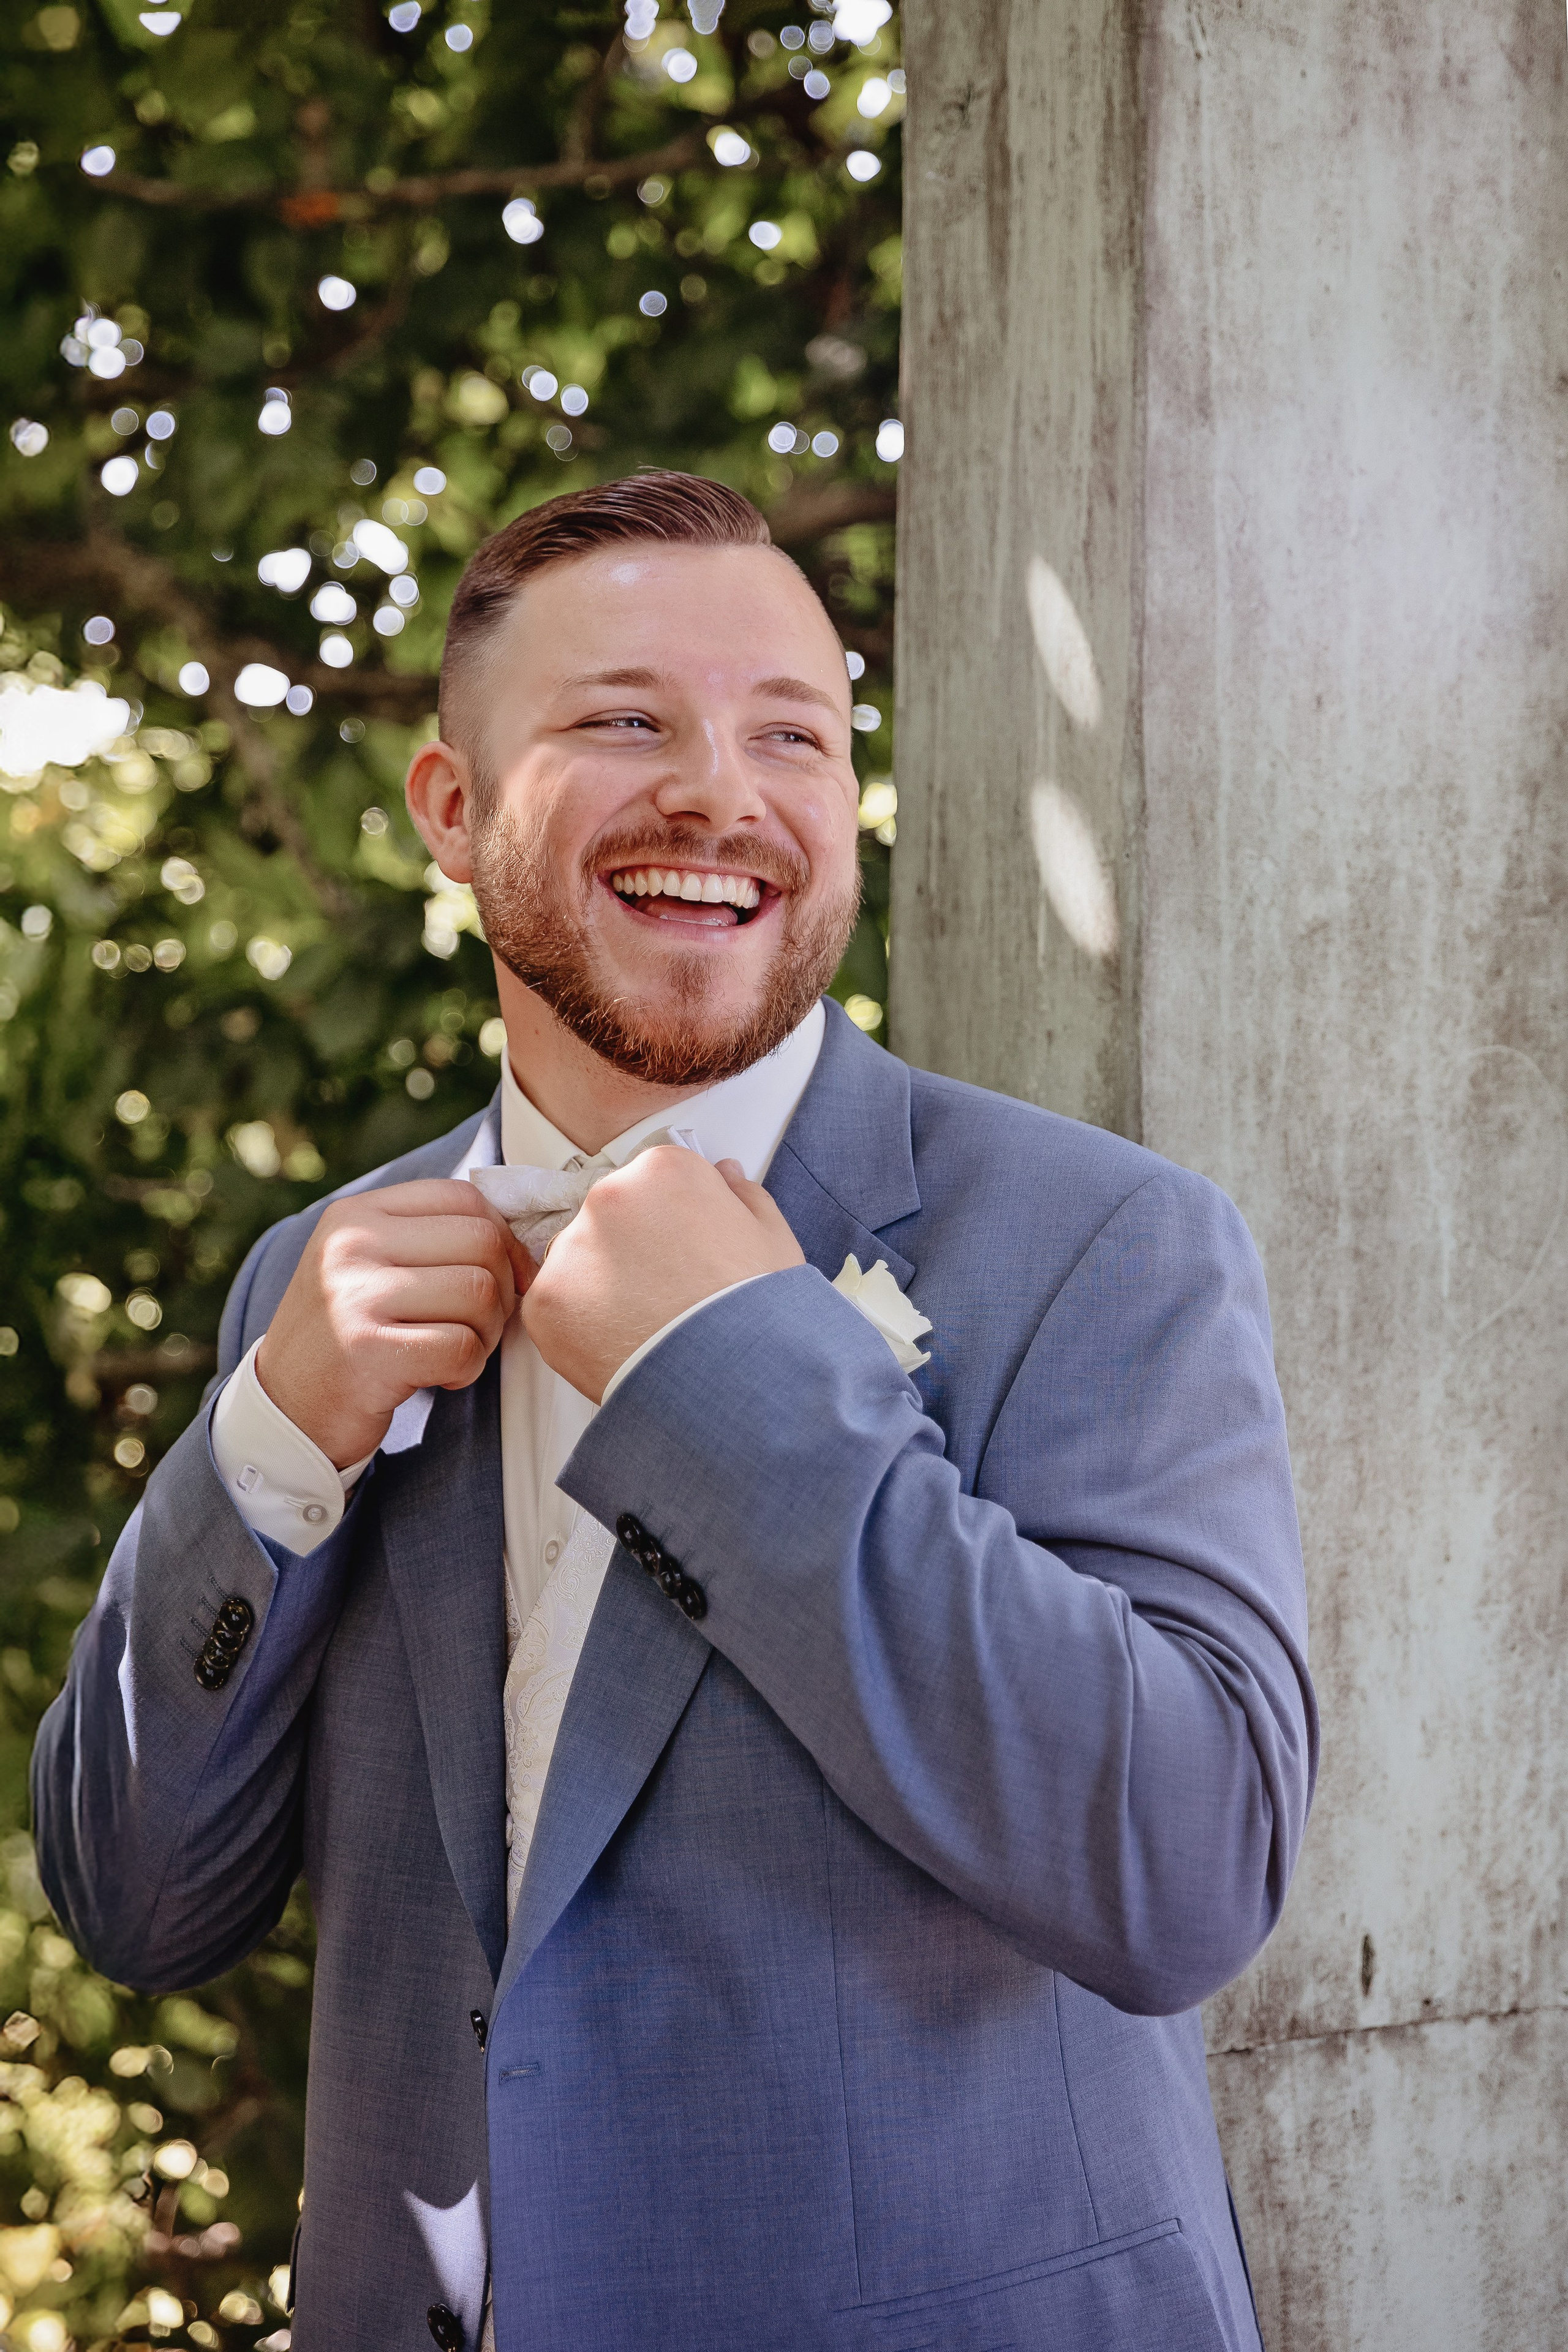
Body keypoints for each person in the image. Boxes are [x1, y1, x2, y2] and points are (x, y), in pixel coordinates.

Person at [32, 472, 1315, 2352]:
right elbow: (137, 1905)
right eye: (627, 718)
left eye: (791, 733)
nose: (723, 790)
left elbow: (1186, 1869)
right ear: (452, 815)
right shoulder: (317, 1282)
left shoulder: (1109, 1240)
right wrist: (271, 1448)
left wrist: (738, 1384)